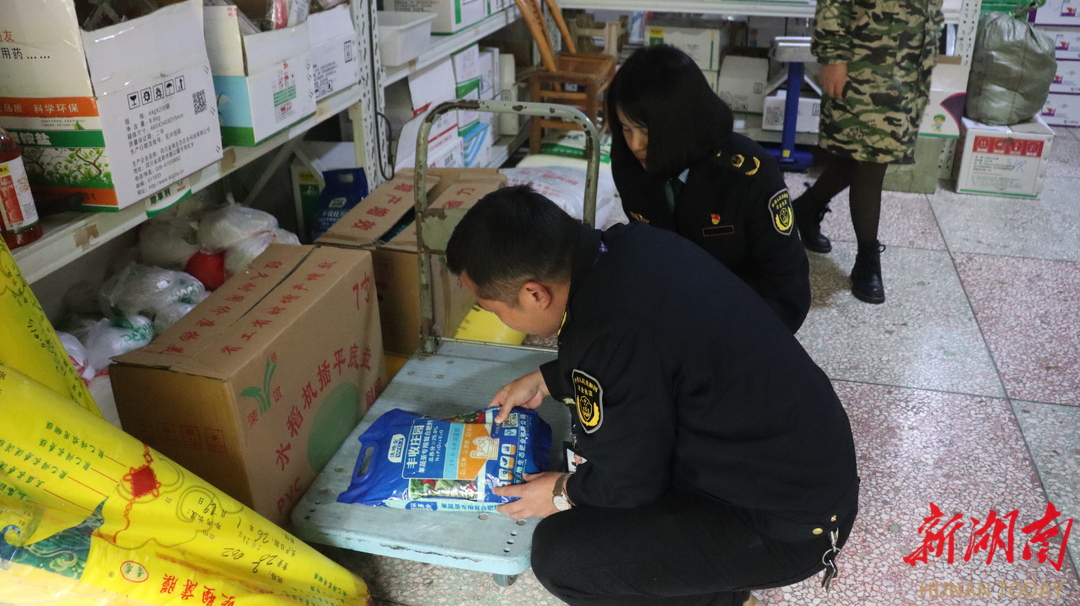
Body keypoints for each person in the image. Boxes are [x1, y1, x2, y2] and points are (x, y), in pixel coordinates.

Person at [445, 185, 860, 606]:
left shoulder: (606, 332)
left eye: (493, 308)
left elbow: (627, 485)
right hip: (803, 470)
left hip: (785, 525)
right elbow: (655, 355)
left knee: (562, 558)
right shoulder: (632, 245)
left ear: (535, 294)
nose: (498, 317)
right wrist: (550, 379)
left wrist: (560, 491)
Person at [607, 45, 811, 333]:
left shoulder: (749, 174)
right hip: (675, 306)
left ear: (685, 123)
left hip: (745, 313)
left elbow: (784, 286)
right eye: (626, 128)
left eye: (647, 131)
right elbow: (652, 251)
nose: (635, 144)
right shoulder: (629, 163)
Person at [794, 0, 943, 303]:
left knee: (858, 155)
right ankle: (867, 258)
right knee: (871, 162)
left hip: (909, 65)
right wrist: (834, 56)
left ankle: (806, 208)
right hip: (864, 63)